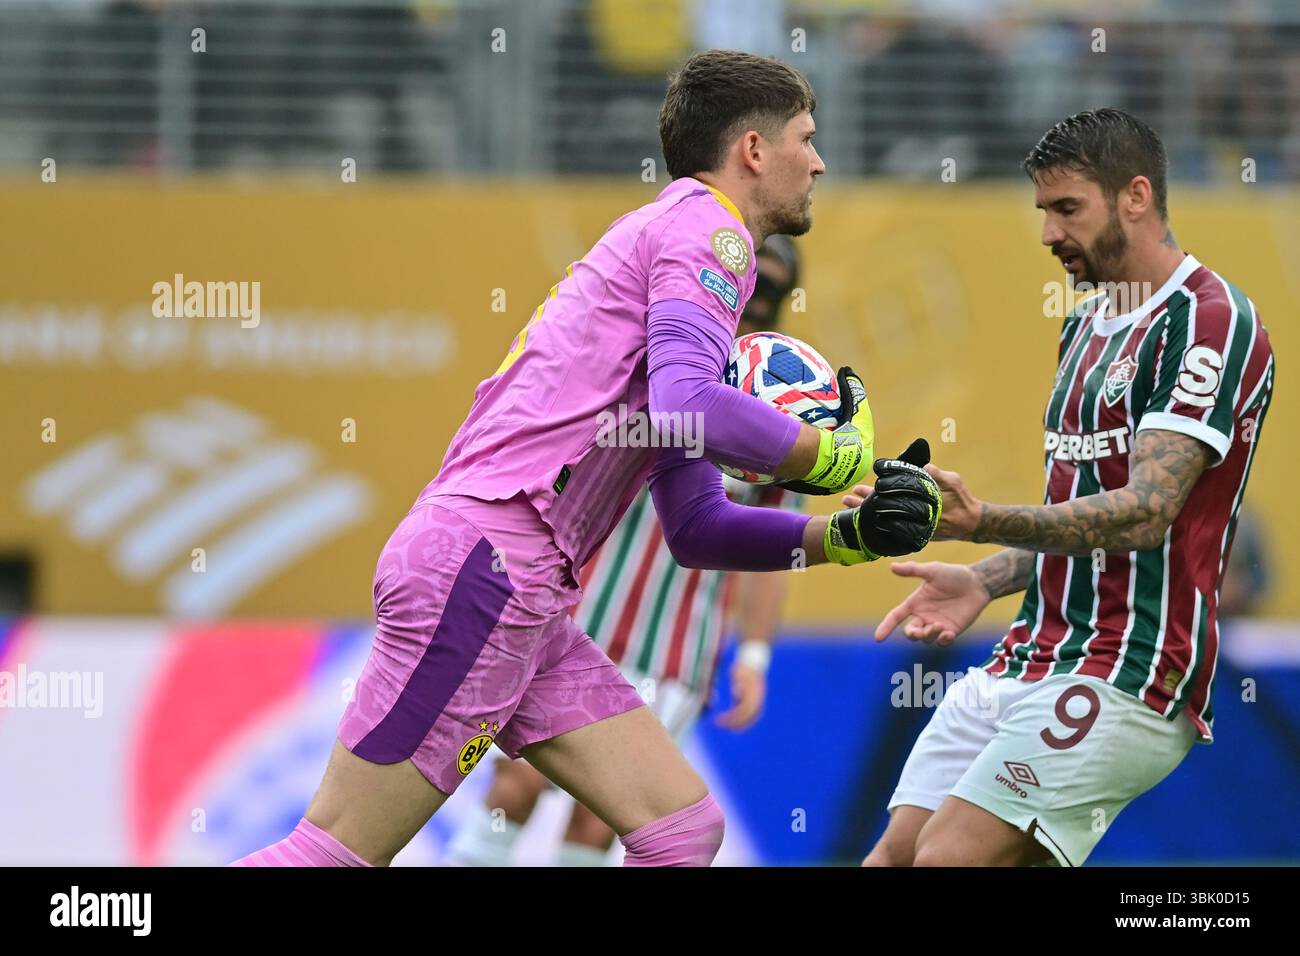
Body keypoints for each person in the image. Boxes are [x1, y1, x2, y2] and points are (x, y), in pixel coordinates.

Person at [231, 51, 940, 869]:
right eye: (806, 139)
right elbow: (690, 407)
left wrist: (844, 540)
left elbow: (698, 528)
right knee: (335, 854)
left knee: (680, 830)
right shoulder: (712, 232)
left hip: (523, 590)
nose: (818, 161)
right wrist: (832, 455)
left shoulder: (667, 241)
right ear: (752, 149)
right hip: (488, 571)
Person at [865, 108, 1275, 868]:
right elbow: (1080, 511)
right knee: (894, 855)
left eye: (1067, 209)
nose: (1049, 233)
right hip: (1029, 656)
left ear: (1136, 196)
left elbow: (1147, 513)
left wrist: (983, 520)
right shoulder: (1084, 326)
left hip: (1131, 669)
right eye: (1042, 212)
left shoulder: (1210, 324)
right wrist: (985, 578)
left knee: (947, 859)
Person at [445, 237, 805, 867]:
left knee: (602, 817)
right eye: (753, 285)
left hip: (672, 650)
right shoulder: (656, 364)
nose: (758, 304)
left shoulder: (779, 405)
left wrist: (753, 653)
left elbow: (776, 548)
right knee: (517, 781)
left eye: (773, 292)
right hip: (575, 622)